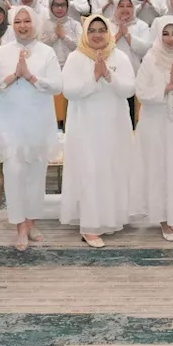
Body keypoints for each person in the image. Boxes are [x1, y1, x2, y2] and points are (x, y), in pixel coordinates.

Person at [0, 6, 64, 252]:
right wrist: (13, 76)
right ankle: (19, 226)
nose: (22, 25)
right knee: (14, 173)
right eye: (18, 21)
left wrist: (30, 77)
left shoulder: (47, 52)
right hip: (11, 122)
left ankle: (31, 222)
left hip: (38, 121)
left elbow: (57, 86)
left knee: (35, 174)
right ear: (12, 24)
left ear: (35, 24)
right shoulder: (2, 52)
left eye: (27, 21)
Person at [61, 14, 136, 247]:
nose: (96, 34)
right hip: (85, 125)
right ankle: (90, 225)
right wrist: (94, 78)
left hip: (114, 124)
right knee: (90, 170)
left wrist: (109, 76)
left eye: (101, 29)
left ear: (109, 32)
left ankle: (110, 217)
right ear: (84, 33)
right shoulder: (75, 58)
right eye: (91, 30)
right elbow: (69, 91)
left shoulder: (120, 56)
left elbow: (129, 90)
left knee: (112, 168)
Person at [132, 16, 173, 241]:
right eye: (166, 33)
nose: (171, 39)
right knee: (160, 169)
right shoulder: (150, 59)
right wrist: (166, 87)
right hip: (155, 125)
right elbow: (140, 92)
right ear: (158, 35)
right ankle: (164, 218)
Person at [40, 0, 81, 66]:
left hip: (71, 65)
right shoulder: (44, 24)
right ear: (50, 6)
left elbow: (80, 47)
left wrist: (64, 37)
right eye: (56, 5)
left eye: (63, 5)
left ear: (68, 6)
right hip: (49, 65)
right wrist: (54, 36)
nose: (59, 8)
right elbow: (40, 47)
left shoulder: (75, 24)